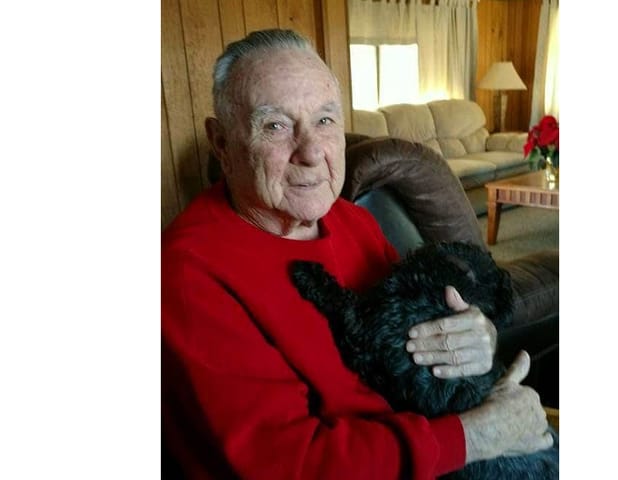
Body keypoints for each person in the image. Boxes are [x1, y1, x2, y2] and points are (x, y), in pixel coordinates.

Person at [162, 28, 552, 479]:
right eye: (275, 126)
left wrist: (474, 337)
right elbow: (291, 466)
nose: (310, 152)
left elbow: (420, 328)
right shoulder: (187, 275)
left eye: (325, 121)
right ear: (222, 143)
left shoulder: (352, 220)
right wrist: (477, 436)